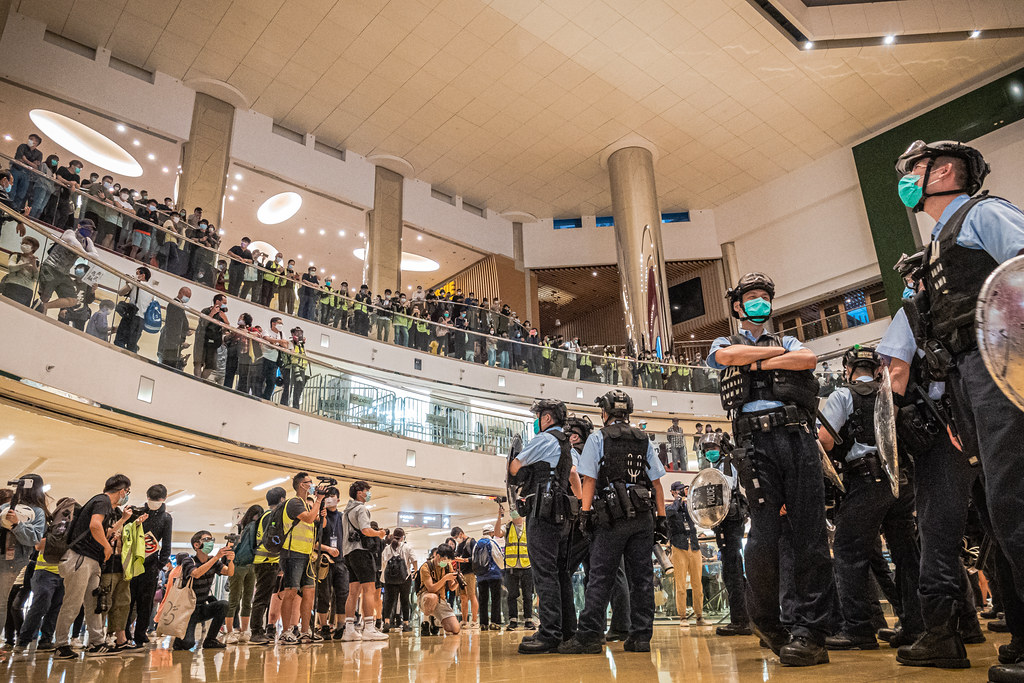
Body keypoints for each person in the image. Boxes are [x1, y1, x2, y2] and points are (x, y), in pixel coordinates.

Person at [892, 141, 1024, 680]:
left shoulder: (982, 213)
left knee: (1016, 499)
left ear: (944, 171)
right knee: (996, 511)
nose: (906, 183)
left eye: (913, 172)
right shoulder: (939, 244)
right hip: (968, 380)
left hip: (1002, 363)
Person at [706, 272, 832, 666]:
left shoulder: (788, 339)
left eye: (765, 296)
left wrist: (755, 364)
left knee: (810, 535)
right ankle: (768, 623)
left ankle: (811, 630)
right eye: (753, 297)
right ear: (739, 306)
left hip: (796, 438)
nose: (760, 302)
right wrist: (774, 361)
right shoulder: (725, 340)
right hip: (754, 446)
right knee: (761, 539)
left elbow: (808, 359)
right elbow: (725, 358)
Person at [877, 254, 989, 667]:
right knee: (999, 528)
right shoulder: (976, 303)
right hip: (989, 426)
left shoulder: (912, 315)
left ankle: (942, 635)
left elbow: (896, 380)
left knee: (937, 537)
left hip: (943, 436)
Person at [818, 346, 923, 653]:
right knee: (906, 553)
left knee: (850, 552)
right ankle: (915, 626)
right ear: (877, 369)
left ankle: (859, 630)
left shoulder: (842, 395)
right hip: (903, 481)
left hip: (867, 479)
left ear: (847, 369)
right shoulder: (891, 394)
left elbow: (824, 439)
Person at [559, 390, 666, 655]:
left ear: (605, 413)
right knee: (641, 578)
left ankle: (589, 637)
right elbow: (656, 484)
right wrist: (661, 518)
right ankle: (641, 637)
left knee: (600, 577)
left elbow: (589, 480)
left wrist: (584, 514)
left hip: (610, 518)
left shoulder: (598, 438)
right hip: (643, 517)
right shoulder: (644, 439)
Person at [507, 398, 582, 653]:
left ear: (547, 418)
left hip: (543, 512)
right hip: (561, 513)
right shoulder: (564, 443)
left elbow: (515, 466)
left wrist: (520, 471)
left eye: (539, 416)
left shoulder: (544, 439)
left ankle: (549, 634)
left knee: (545, 574)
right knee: (560, 573)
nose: (536, 420)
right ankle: (565, 630)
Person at [54, 474, 131, 659]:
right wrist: (106, 547)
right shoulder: (102, 500)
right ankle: (61, 645)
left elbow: (104, 531)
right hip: (80, 558)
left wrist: (122, 520)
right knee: (73, 603)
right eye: (127, 492)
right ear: (122, 491)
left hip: (91, 560)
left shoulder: (102, 503)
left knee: (95, 603)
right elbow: (95, 526)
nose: (126, 495)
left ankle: (97, 642)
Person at [697, 433, 752, 637]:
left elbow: (726, 489)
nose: (709, 451)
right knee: (733, 569)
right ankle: (743, 617)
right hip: (725, 521)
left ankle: (741, 620)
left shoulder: (728, 464)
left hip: (730, 519)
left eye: (712, 446)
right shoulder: (716, 466)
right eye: (706, 448)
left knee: (733, 571)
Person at [277, 472, 325, 644]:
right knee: (290, 592)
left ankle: (305, 631)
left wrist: (320, 508)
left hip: (306, 555)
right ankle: (286, 630)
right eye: (309, 482)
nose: (312, 484)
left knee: (309, 592)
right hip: (292, 553)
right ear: (301, 485)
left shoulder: (306, 504)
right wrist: (318, 501)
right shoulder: (294, 503)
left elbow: (318, 522)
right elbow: (309, 519)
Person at [340, 481, 388, 642]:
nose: (368, 493)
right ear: (359, 492)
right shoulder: (361, 509)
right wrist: (379, 533)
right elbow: (366, 530)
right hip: (361, 552)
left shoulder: (346, 512)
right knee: (369, 589)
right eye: (367, 490)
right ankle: (369, 627)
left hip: (348, 553)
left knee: (353, 591)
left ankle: (349, 629)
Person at [0, 474, 48, 635]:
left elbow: (34, 539)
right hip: (7, 558)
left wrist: (16, 525)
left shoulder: (37, 512)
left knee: (1, 603)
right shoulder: (6, 507)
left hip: (12, 562)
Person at [172, 530, 233, 651]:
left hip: (202, 607)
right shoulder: (189, 561)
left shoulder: (214, 562)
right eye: (206, 540)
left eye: (211, 539)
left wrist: (231, 560)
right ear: (196, 545)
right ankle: (179, 640)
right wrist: (216, 557)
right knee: (189, 644)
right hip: (187, 610)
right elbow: (196, 573)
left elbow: (229, 572)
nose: (210, 542)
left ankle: (210, 640)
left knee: (223, 605)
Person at [127, 484, 172, 648]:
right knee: (129, 600)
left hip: (151, 565)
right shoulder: (137, 512)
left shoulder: (166, 518)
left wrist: (160, 564)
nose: (153, 502)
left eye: (157, 500)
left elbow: (167, 544)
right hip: (133, 563)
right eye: (151, 499)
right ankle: (124, 633)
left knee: (146, 603)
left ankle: (140, 633)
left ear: (164, 499)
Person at [249, 486, 287, 645]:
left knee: (264, 598)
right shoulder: (272, 516)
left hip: (267, 562)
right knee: (261, 599)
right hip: (266, 562)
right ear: (282, 500)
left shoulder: (265, 515)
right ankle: (256, 632)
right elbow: (273, 541)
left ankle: (263, 630)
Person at [666, 481, 703, 627]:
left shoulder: (689, 507)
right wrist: (678, 500)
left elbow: (699, 513)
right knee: (680, 584)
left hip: (693, 545)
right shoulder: (670, 507)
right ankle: (682, 616)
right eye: (680, 490)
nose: (683, 492)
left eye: (684, 490)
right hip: (679, 546)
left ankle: (699, 615)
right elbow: (671, 513)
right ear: (673, 492)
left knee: (697, 584)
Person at [224, 504, 262, 644]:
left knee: (236, 599)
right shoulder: (250, 527)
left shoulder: (241, 527)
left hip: (241, 564)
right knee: (243, 600)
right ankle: (241, 631)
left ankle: (234, 632)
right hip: (247, 564)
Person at [315, 487, 349, 640]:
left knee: (342, 594)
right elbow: (314, 543)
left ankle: (341, 626)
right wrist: (327, 549)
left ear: (338, 499)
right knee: (324, 594)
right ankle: (323, 627)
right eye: (327, 496)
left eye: (332, 496)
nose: (329, 499)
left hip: (341, 562)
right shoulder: (319, 517)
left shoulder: (343, 518)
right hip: (324, 561)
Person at [494, 504, 534, 632]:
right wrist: (499, 517)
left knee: (528, 595)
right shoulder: (508, 527)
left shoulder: (529, 526)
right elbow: (496, 533)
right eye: (512, 512)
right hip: (511, 567)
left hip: (527, 565)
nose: (514, 514)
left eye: (516, 511)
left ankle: (529, 619)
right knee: (512, 595)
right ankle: (513, 620)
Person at [417, 544, 461, 635]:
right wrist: (445, 578)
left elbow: (451, 588)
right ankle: (426, 622)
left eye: (448, 560)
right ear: (437, 555)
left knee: (455, 629)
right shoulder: (425, 567)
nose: (445, 562)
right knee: (432, 597)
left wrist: (457, 582)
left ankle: (436, 620)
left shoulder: (448, 566)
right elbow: (431, 588)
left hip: (441, 599)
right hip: (425, 598)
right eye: (444, 559)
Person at [380, 528, 416, 633]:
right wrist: (415, 572)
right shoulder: (407, 547)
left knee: (388, 601)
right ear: (403, 537)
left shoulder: (387, 548)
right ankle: (405, 624)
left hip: (389, 579)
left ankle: (386, 623)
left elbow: (383, 563)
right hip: (405, 578)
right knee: (405, 600)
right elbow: (414, 560)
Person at [113, 266, 154, 353]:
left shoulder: (136, 283)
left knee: (119, 341)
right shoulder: (151, 290)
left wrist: (131, 282)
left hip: (131, 317)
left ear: (142, 276)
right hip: (141, 320)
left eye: (137, 274)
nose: (135, 275)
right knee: (132, 346)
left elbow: (121, 292)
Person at [473, 524, 504, 632]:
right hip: (494, 575)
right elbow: (498, 557)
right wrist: (502, 569)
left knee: (483, 599)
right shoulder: (492, 543)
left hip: (481, 576)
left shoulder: (477, 544)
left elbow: (474, 560)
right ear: (491, 533)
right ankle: (495, 622)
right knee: (495, 599)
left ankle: (483, 623)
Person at [450, 526, 479, 630]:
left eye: (457, 537)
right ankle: (464, 620)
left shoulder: (471, 542)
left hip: (470, 573)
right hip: (461, 573)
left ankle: (475, 620)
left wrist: (465, 560)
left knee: (472, 595)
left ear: (461, 534)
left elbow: (476, 557)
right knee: (463, 597)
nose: (457, 539)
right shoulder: (459, 545)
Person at [1, 235, 39, 307]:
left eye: (27, 243)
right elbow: (11, 268)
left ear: (33, 248)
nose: (23, 245)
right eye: (22, 243)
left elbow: (36, 278)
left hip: (27, 291)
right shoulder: (15, 256)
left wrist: (34, 265)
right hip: (12, 285)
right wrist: (25, 264)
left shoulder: (37, 262)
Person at [158, 287, 191, 369]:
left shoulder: (179, 305)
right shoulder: (175, 305)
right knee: (168, 364)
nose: (187, 298)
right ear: (180, 293)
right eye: (187, 295)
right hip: (171, 342)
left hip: (173, 341)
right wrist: (181, 341)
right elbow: (174, 325)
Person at [11, 134, 43, 210]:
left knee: (21, 194)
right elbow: (19, 159)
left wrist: (25, 160)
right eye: (29, 138)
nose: (29, 140)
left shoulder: (39, 154)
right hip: (16, 170)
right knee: (12, 191)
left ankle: (15, 211)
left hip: (27, 175)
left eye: (32, 139)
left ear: (36, 142)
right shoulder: (22, 146)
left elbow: (36, 167)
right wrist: (31, 163)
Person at [260, 317, 289, 400]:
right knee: (261, 379)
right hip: (265, 358)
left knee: (271, 382)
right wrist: (279, 342)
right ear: (273, 323)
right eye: (279, 323)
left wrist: (276, 342)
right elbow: (267, 339)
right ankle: (258, 395)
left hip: (275, 361)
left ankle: (266, 398)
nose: (281, 325)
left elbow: (286, 344)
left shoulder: (282, 333)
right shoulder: (267, 331)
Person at [280, 327, 309, 410]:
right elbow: (292, 355)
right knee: (288, 387)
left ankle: (296, 406)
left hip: (301, 368)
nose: (299, 335)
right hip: (290, 368)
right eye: (297, 333)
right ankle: (284, 404)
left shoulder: (301, 345)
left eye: (300, 333)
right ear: (292, 334)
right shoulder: (290, 343)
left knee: (298, 388)